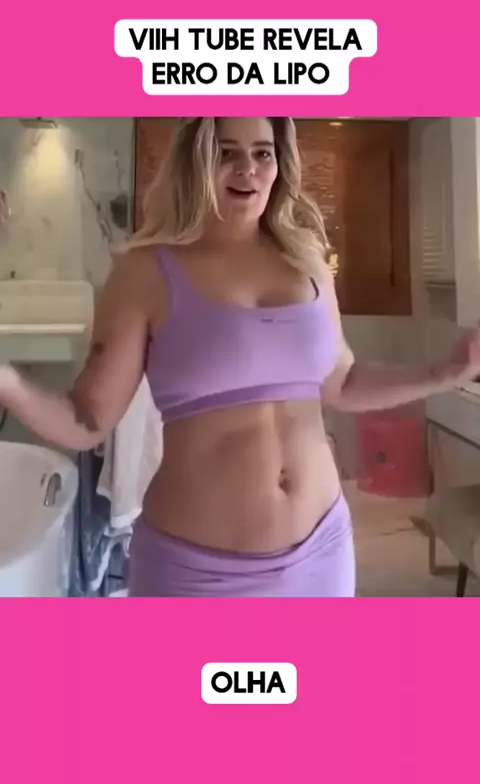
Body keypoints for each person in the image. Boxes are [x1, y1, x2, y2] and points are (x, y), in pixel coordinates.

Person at [1, 116, 479, 597]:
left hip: (323, 551)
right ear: (197, 161)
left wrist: (445, 372)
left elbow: (342, 380)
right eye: (226, 152)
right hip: (197, 572)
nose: (247, 168)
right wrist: (7, 380)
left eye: (262, 153)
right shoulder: (144, 272)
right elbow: (86, 419)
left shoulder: (308, 262)